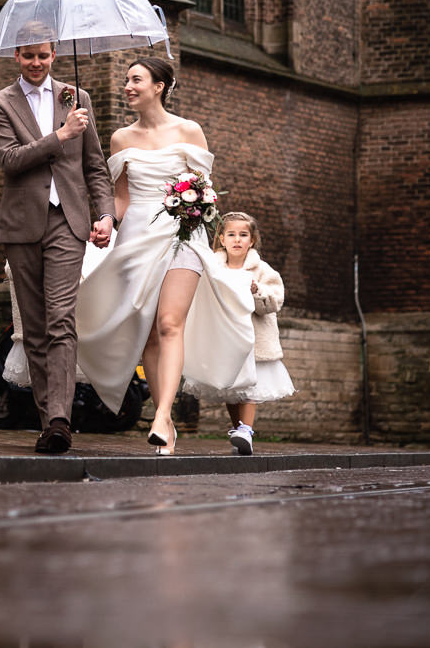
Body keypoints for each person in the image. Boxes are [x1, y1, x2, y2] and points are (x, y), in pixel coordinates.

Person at [73, 57, 256, 455]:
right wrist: (105, 221)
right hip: (136, 239)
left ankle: (160, 417)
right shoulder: (121, 138)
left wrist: (198, 215)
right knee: (149, 334)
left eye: (135, 79)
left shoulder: (189, 131)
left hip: (182, 236)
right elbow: (120, 197)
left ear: (159, 86)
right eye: (125, 80)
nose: (127, 86)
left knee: (171, 322)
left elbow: (207, 194)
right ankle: (166, 420)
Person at [0, 37, 115, 454]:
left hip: (68, 222)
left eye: (43, 55)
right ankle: (47, 420)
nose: (36, 62)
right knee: (35, 328)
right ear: (16, 57)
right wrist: (61, 135)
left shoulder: (78, 98)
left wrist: (106, 214)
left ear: (54, 54)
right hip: (22, 225)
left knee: (61, 319)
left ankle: (60, 420)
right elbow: (11, 160)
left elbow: (94, 165)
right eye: (28, 55)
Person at [199, 211, 294, 454]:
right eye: (231, 234)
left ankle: (246, 430)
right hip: (225, 337)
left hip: (253, 339)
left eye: (243, 235)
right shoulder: (212, 267)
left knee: (250, 386)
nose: (237, 240)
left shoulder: (262, 270)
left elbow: (275, 301)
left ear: (252, 240)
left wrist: (257, 290)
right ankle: (238, 430)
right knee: (231, 389)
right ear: (221, 238)